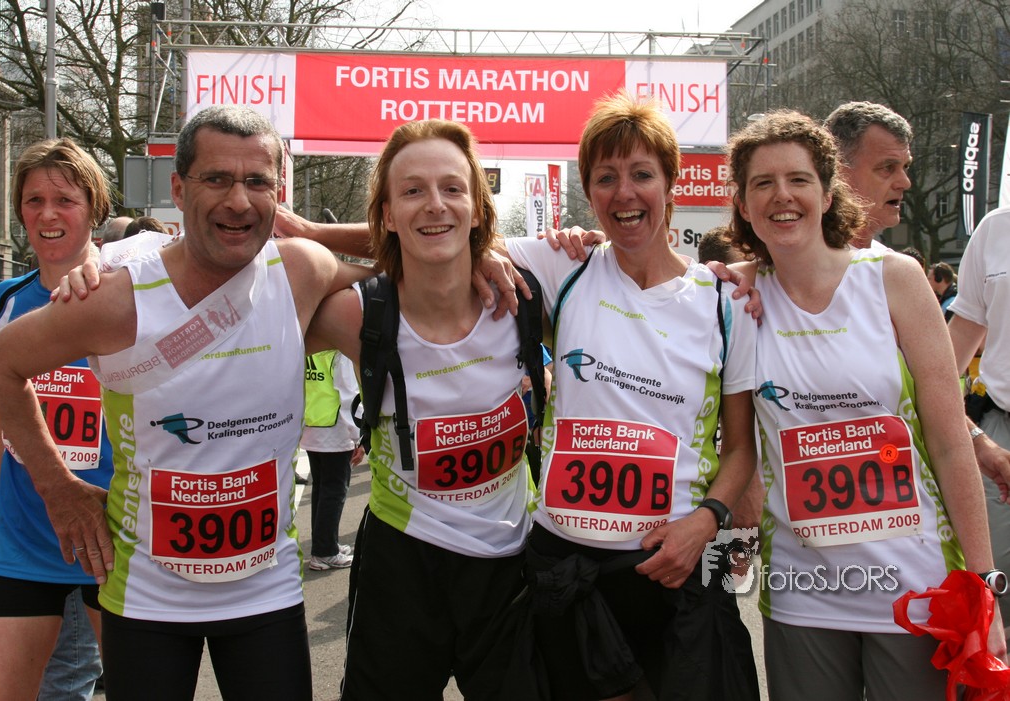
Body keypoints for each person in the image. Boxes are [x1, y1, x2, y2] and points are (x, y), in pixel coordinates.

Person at [0, 106, 380, 700]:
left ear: (279, 194)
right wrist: (58, 488)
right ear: (179, 189)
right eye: (217, 179)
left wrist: (314, 231)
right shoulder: (119, 295)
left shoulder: (299, 270)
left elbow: (420, 250)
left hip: (265, 593)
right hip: (147, 599)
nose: (238, 200)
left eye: (257, 181)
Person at [726, 110, 1005, 700]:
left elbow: (949, 440)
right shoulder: (732, 297)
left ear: (828, 194)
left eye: (799, 179)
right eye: (763, 183)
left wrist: (984, 582)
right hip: (802, 591)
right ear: (744, 205)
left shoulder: (894, 278)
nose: (782, 196)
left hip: (914, 586)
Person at [502, 91, 760, 700]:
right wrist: (306, 235)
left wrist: (707, 521)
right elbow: (443, 240)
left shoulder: (724, 304)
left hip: (674, 564)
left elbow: (741, 449)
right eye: (605, 178)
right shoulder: (565, 268)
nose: (624, 193)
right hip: (566, 569)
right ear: (589, 192)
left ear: (671, 183)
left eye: (642, 174)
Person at [284, 118, 538, 700]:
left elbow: (636, 273)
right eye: (413, 191)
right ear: (388, 215)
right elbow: (245, 290)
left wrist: (739, 274)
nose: (435, 205)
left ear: (478, 208)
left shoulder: (523, 294)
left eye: (452, 189)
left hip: (510, 565)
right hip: (402, 564)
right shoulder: (358, 312)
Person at [0, 138, 115, 700]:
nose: (48, 214)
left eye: (65, 200)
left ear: (94, 208)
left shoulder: (130, 290)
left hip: (113, 532)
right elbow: (4, 412)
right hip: (26, 534)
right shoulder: (7, 298)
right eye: (34, 200)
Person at [947, 205, 1010, 644]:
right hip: (1000, 436)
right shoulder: (995, 229)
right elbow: (951, 351)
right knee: (994, 595)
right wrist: (966, 430)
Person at [302, 349, 361, 570]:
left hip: (312, 426)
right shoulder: (338, 352)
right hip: (335, 431)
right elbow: (349, 397)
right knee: (334, 492)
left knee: (322, 490)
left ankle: (325, 543)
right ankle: (325, 551)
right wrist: (358, 436)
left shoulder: (310, 347)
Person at [823, 101, 912, 249]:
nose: (905, 183)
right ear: (837, 171)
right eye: (888, 167)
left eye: (906, 166)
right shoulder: (793, 259)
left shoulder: (888, 261)